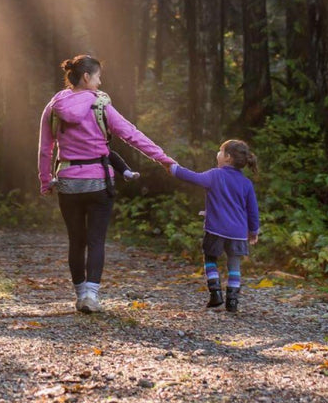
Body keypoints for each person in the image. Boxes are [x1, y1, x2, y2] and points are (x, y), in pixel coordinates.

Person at [39, 54, 176, 313]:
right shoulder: (100, 105)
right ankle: (91, 295)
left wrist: (46, 180)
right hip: (99, 182)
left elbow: (45, 149)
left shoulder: (54, 106)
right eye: (98, 77)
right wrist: (163, 159)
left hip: (68, 182)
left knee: (76, 240)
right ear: (87, 77)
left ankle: (80, 296)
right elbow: (131, 134)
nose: (100, 83)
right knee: (96, 240)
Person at [169, 140, 260, 313]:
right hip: (238, 233)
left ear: (227, 157)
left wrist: (173, 168)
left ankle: (216, 294)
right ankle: (232, 301)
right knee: (234, 265)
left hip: (215, 229)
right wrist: (253, 231)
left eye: (220, 151)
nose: (217, 154)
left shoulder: (215, 175)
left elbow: (193, 177)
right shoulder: (246, 183)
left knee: (210, 259)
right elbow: (253, 211)